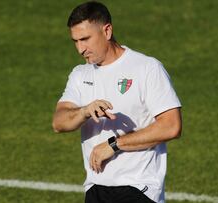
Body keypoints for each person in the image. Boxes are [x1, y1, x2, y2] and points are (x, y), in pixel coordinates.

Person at [52, 1, 182, 203]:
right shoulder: (80, 75)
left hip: (139, 188)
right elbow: (59, 123)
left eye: (85, 39)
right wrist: (85, 111)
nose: (80, 49)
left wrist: (114, 145)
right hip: (96, 188)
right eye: (75, 41)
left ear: (107, 31)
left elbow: (171, 126)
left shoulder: (146, 68)